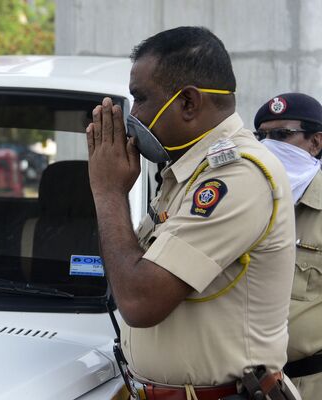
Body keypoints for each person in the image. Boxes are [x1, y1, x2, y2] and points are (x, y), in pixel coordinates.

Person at [86, 27, 300, 399]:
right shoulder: (186, 173)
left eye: (141, 98)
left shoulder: (238, 176)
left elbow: (139, 301)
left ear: (188, 103)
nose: (133, 115)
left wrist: (108, 191)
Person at [254, 93, 322, 400]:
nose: (269, 146)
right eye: (263, 136)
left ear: (315, 143)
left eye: (283, 135)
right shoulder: (246, 204)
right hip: (248, 385)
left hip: (311, 383)